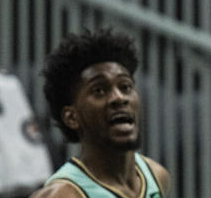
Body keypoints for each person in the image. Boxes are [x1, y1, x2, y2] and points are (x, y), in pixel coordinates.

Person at [31, 29, 169, 198]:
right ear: (72, 117)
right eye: (99, 91)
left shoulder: (157, 175)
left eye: (125, 87)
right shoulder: (63, 194)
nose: (119, 98)